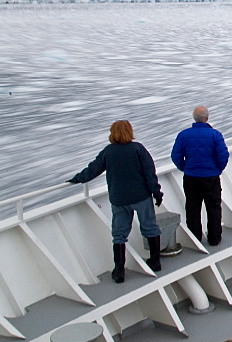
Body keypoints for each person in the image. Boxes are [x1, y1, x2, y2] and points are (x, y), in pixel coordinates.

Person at [67, 120, 164, 283]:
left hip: (119, 199)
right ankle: (155, 262)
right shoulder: (138, 149)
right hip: (141, 197)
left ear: (112, 133)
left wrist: (77, 179)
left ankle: (119, 271)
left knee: (119, 234)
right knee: (150, 228)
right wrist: (157, 193)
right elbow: (149, 172)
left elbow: (93, 170)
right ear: (130, 132)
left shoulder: (108, 152)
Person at [171, 105, 229, 246]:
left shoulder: (183, 135)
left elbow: (176, 156)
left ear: (194, 118)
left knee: (192, 208)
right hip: (211, 177)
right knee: (214, 208)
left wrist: (184, 167)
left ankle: (196, 239)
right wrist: (218, 169)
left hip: (191, 177)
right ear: (207, 118)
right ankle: (214, 238)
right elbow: (223, 155)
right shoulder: (215, 135)